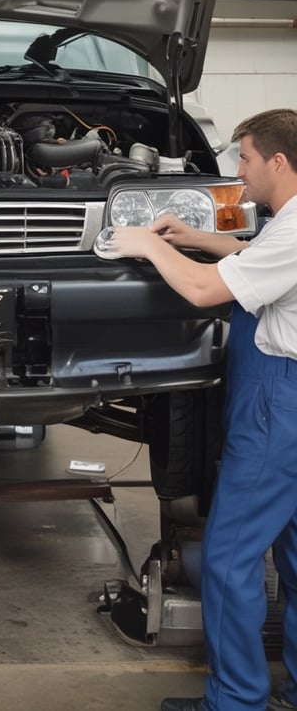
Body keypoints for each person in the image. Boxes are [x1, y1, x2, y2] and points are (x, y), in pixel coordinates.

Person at [103, 108, 297, 711]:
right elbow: (255, 254)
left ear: (279, 162)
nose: (240, 173)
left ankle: (235, 701)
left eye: (247, 159)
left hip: (277, 403)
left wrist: (143, 245)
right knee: (295, 556)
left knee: (230, 555)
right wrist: (191, 238)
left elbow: (205, 289)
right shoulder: (288, 224)